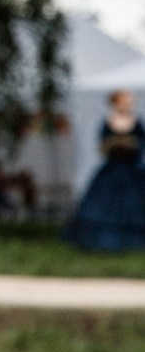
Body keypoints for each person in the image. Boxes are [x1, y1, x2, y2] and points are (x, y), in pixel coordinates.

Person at [66, 88, 144, 251]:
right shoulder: (108, 122)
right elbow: (102, 145)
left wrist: (131, 147)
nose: (129, 104)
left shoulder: (136, 122)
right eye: (125, 100)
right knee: (104, 204)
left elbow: (141, 144)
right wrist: (114, 146)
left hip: (132, 170)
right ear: (115, 102)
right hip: (112, 169)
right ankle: (101, 242)